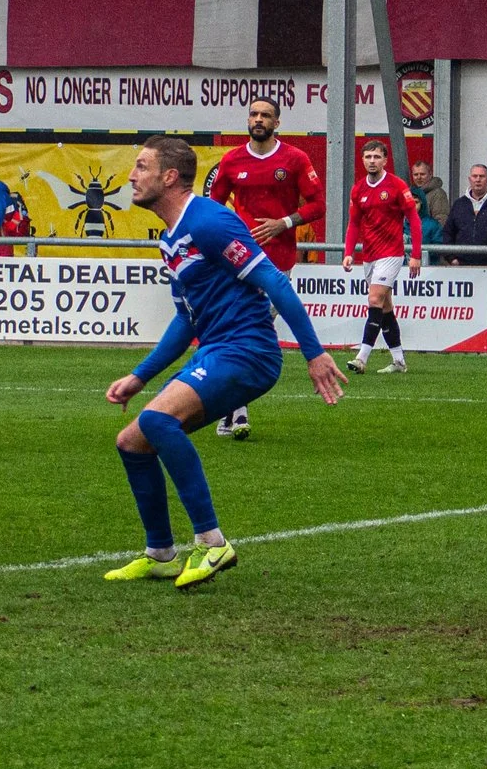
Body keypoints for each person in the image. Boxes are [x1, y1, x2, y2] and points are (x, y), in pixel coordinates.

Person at [103, 136, 345, 589]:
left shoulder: (210, 221)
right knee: (132, 441)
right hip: (216, 348)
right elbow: (184, 318)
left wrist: (313, 354)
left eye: (141, 166)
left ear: (169, 176)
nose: (132, 176)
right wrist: (140, 376)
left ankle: (213, 542)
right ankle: (160, 553)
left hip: (248, 350)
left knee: (157, 423)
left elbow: (274, 280)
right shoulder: (170, 239)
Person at [204, 97, 323, 436]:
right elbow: (213, 207)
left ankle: (232, 407)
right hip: (237, 259)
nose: (258, 119)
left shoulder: (295, 159)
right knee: (242, 330)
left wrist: (284, 223)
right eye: (254, 114)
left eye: (266, 115)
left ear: (277, 123)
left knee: (247, 332)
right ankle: (237, 410)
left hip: (277, 263)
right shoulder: (231, 161)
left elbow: (318, 203)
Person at [345, 139, 423, 374]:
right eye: (368, 157)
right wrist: (348, 253)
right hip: (369, 255)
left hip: (391, 253)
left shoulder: (397, 186)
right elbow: (354, 224)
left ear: (385, 160)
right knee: (386, 307)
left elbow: (414, 220)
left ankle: (362, 357)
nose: (372, 161)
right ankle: (399, 361)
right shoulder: (358, 189)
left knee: (374, 299)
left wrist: (416, 255)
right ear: (362, 160)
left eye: (376, 157)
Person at [445, 164, 487, 262]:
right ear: (470, 179)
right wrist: (452, 258)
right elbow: (448, 233)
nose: (478, 180)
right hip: (460, 268)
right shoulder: (459, 204)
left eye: (481, 176)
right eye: (474, 176)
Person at [410, 159, 451, 234]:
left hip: (429, 241)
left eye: (422, 174)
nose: (419, 177)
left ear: (430, 174)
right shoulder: (411, 193)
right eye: (416, 174)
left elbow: (441, 221)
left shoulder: (438, 194)